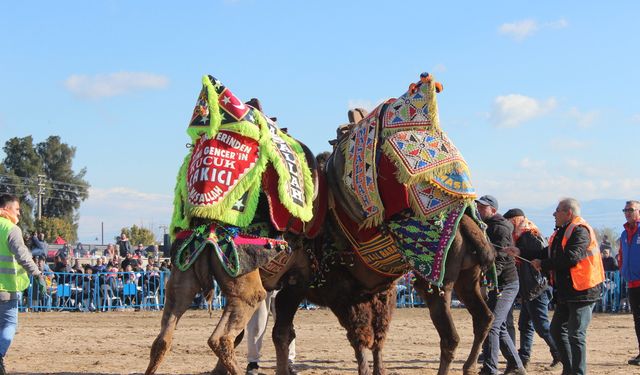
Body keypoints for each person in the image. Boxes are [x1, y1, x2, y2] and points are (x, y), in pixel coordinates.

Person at [530, 198, 604, 375]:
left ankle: (577, 372)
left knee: (576, 334)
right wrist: (521, 252)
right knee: (556, 331)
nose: (554, 214)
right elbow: (547, 252)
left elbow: (571, 258)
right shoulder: (563, 232)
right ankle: (569, 369)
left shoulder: (580, 231)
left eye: (557, 210)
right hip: (567, 291)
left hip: (583, 290)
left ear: (568, 213)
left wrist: (544, 264)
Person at [503, 208, 560, 370]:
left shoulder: (531, 235)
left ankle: (559, 354)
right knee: (525, 325)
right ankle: (523, 358)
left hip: (538, 287)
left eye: (509, 221)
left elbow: (541, 255)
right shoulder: (520, 237)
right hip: (529, 288)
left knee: (541, 325)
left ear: (515, 220)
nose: (507, 225)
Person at [475, 195, 526, 375]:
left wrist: (491, 280)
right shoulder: (484, 226)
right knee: (500, 327)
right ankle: (517, 367)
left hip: (506, 283)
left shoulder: (501, 228)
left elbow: (502, 258)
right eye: (479, 207)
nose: (479, 210)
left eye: (483, 208)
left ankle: (490, 369)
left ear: (493, 210)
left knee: (493, 325)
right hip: (497, 283)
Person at [0, 194, 46, 374]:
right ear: (5, 209)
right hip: (6, 289)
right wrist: (37, 275)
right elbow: (23, 256)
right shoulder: (11, 229)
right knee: (9, 325)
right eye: (17, 209)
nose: (19, 213)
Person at [246, 290, 295, 375]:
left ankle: (288, 363)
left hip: (282, 286)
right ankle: (252, 363)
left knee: (286, 327)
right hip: (262, 286)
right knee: (256, 326)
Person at [619, 200, 640, 365]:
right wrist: (622, 270)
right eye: (625, 210)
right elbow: (621, 255)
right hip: (632, 283)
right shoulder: (624, 234)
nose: (627, 212)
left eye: (630, 209)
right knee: (637, 319)